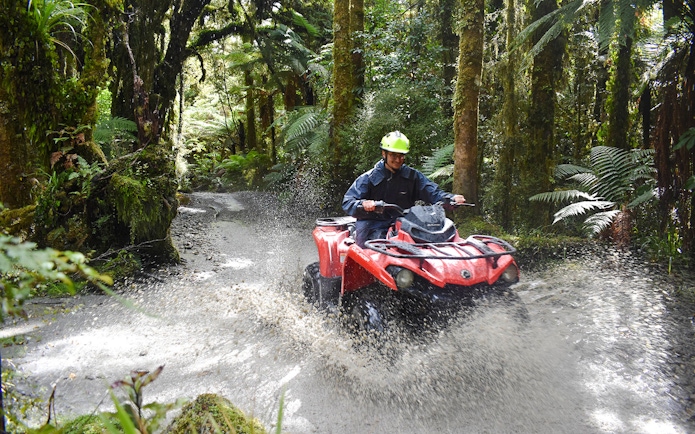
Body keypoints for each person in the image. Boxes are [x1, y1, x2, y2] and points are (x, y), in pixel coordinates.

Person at [342, 131, 466, 247]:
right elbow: (348, 202)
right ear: (384, 154)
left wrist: (451, 198)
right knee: (367, 250)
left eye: (401, 155)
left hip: (405, 224)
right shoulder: (369, 178)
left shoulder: (412, 176)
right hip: (374, 224)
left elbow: (433, 192)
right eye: (393, 155)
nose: (398, 159)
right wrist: (363, 204)